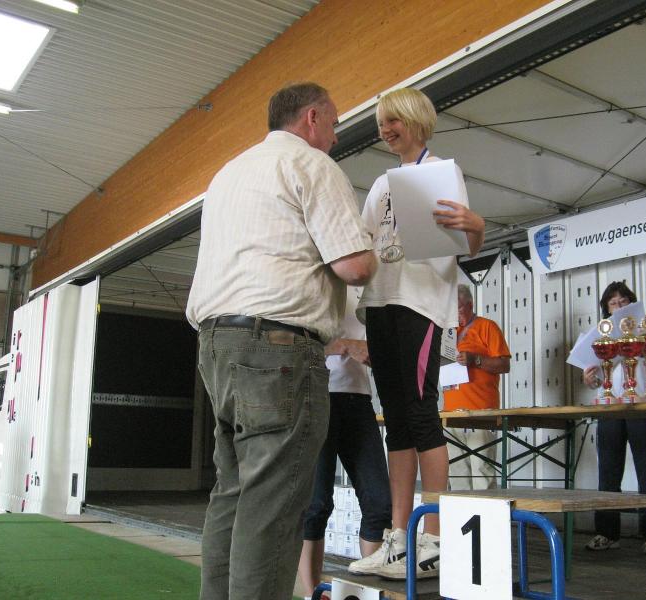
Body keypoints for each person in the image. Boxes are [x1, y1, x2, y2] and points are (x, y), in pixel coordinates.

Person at [185, 82, 376, 600]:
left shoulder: (228, 173)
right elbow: (355, 267)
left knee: (232, 492)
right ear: (312, 118)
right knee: (272, 501)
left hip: (216, 344)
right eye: (334, 124)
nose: (335, 137)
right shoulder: (312, 165)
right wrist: (375, 247)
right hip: (278, 349)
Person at [349, 87, 485, 580]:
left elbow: (467, 242)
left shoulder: (443, 172)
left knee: (422, 414)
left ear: (415, 120)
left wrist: (477, 225)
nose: (385, 130)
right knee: (398, 422)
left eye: (393, 121)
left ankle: (436, 538)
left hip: (421, 305)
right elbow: (364, 243)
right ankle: (399, 538)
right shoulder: (380, 184)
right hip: (380, 304)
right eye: (381, 123)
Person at [297, 287, 391, 599]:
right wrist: (345, 345)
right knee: (316, 505)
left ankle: (371, 591)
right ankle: (312, 594)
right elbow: (296, 342)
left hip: (359, 400)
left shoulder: (366, 291)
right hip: (316, 396)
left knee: (379, 504)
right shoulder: (314, 283)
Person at [581, 281, 646, 555]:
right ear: (606, 309)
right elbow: (596, 381)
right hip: (610, 409)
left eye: (623, 301)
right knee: (608, 472)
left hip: (642, 406)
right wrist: (589, 379)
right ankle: (607, 533)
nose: (618, 307)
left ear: (632, 303)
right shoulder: (600, 337)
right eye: (613, 303)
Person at [443, 284, 510, 490]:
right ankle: (460, 513)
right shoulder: (447, 333)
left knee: (482, 472)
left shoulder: (487, 327)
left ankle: (486, 511)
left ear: (470, 305)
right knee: (457, 475)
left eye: (458, 308)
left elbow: (504, 365)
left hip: (481, 413)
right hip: (451, 414)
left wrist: (476, 360)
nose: (454, 314)